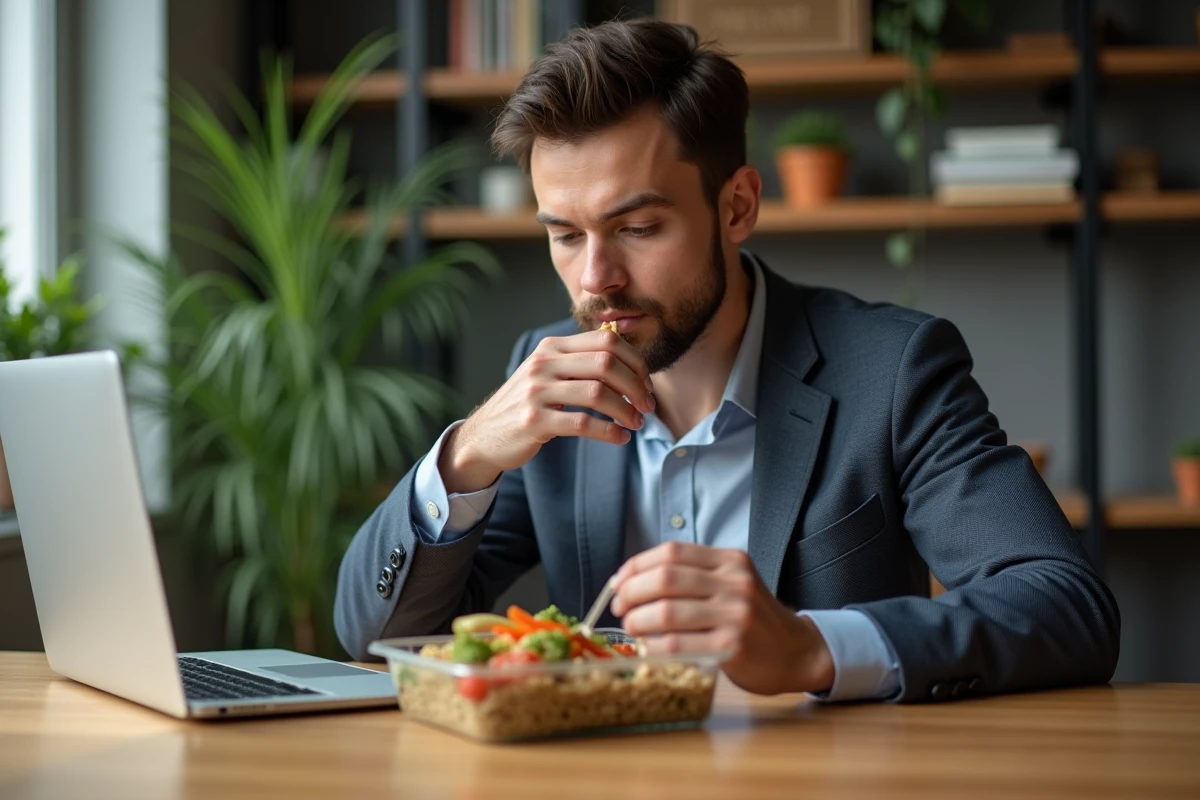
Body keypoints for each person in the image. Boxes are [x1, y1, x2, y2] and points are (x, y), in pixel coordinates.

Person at [335, 19, 1119, 702]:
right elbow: (374, 634)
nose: (593, 278)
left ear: (737, 206)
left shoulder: (893, 370)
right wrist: (465, 456)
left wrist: (811, 647)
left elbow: (1064, 605)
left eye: (637, 228)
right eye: (566, 235)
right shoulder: (541, 378)